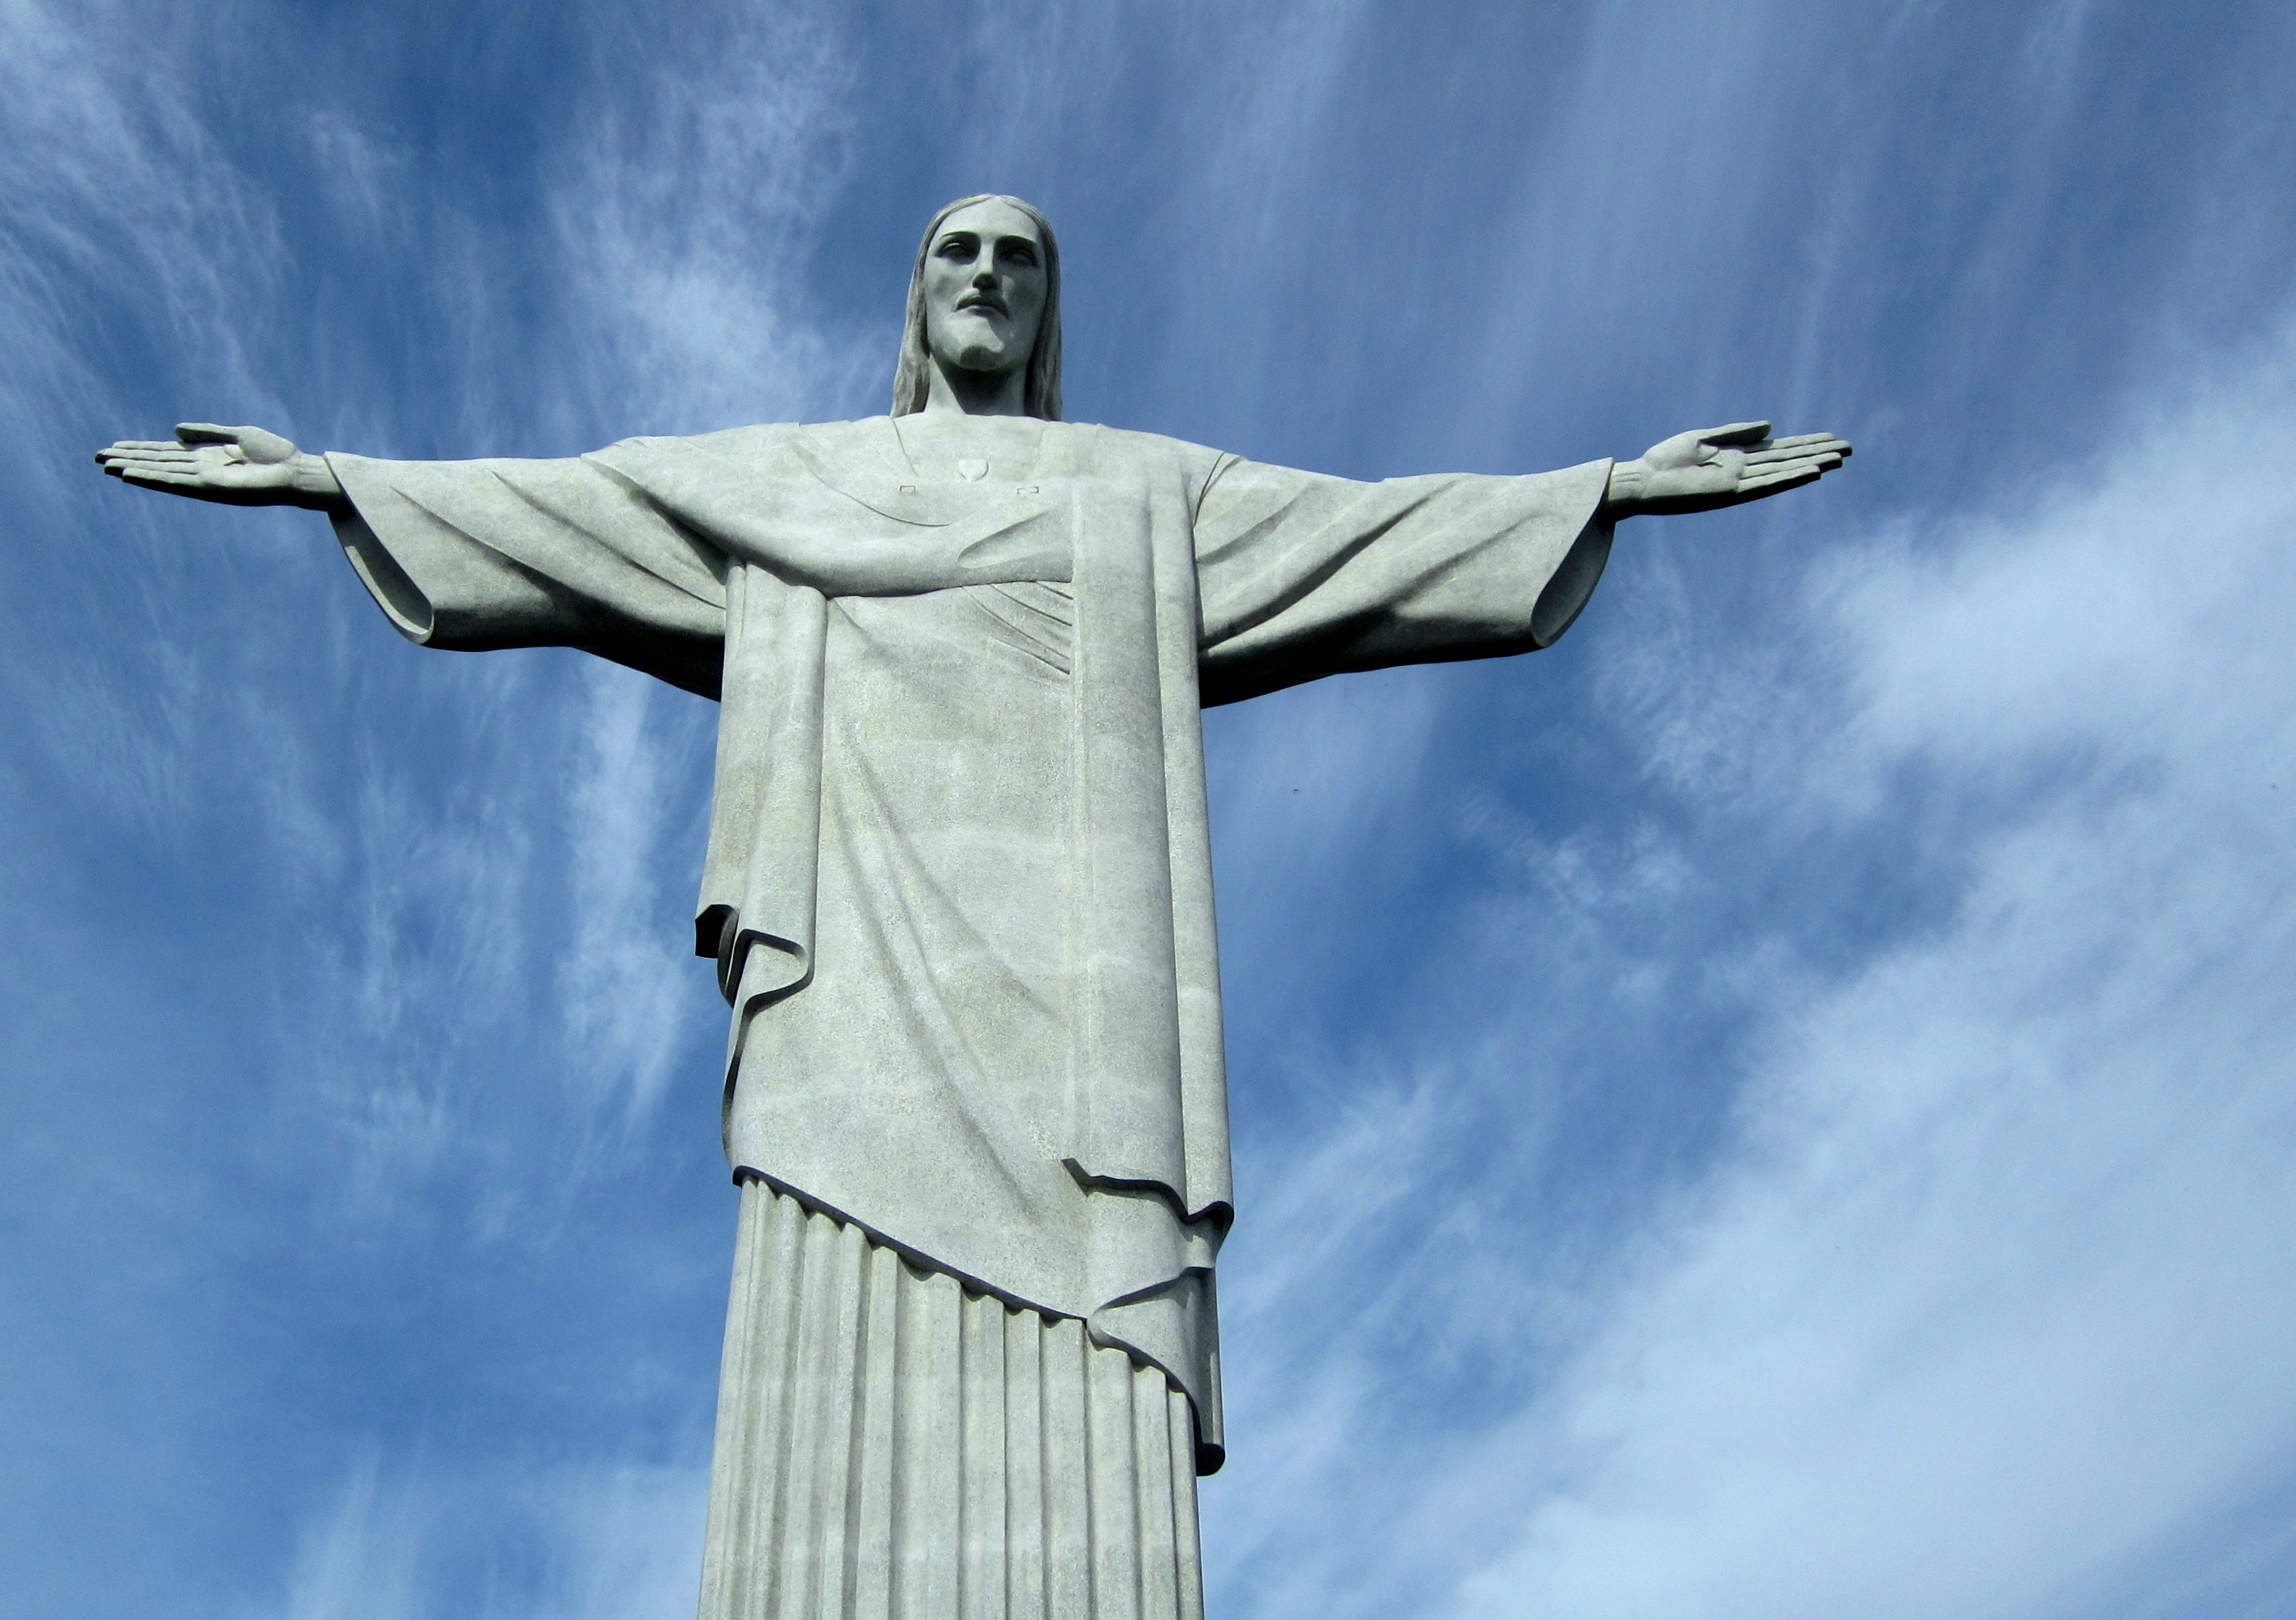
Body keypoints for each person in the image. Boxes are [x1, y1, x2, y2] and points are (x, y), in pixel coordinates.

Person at [97, 193, 1848, 1620]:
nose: (988, 277)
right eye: (958, 251)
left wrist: (1596, 486)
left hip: (1082, 1048)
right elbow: (580, 508)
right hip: (852, 996)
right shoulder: (788, 486)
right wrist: (340, 479)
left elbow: (1364, 541)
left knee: (1083, 1418)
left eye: (1021, 257)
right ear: (915, 297)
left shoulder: (1135, 493)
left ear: (1048, 308)